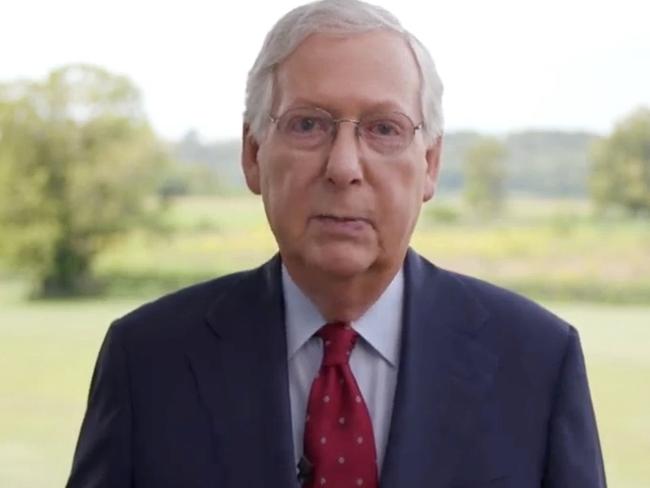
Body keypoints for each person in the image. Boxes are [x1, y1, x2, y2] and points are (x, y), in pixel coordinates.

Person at [66, 0, 606, 486]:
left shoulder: (537, 362)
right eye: (308, 124)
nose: (344, 167)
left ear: (430, 166)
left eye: (384, 129)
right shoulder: (147, 361)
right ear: (253, 154)